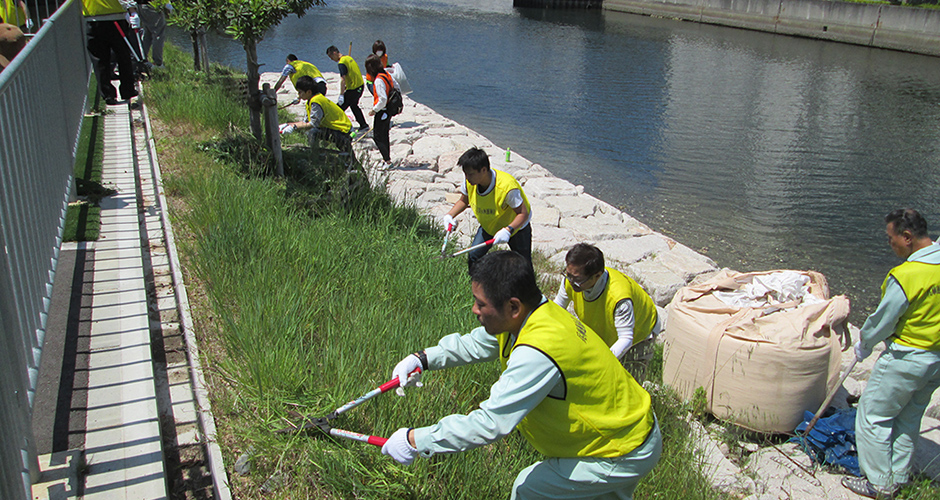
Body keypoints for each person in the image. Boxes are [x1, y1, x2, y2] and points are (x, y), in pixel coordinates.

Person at [382, 250, 662, 499]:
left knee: (529, 489)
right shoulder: (537, 312)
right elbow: (476, 343)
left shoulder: (538, 351)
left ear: (513, 306)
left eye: (481, 304)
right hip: (631, 432)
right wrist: (422, 359)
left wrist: (415, 441)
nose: (474, 309)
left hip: (623, 448)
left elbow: (490, 423)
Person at [843, 208, 940, 500]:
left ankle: (878, 484)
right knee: (909, 418)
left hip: (905, 359)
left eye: (891, 239)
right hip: (935, 361)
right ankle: (898, 476)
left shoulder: (907, 275)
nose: (890, 245)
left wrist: (866, 343)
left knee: (873, 416)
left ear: (907, 237)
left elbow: (883, 319)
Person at [554, 243, 660, 382]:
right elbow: (556, 310)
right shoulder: (572, 279)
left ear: (597, 275)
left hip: (639, 335)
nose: (571, 282)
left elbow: (626, 338)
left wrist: (601, 364)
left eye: (577, 279)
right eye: (568, 275)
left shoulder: (619, 298)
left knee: (627, 383)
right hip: (605, 329)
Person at [442, 147, 532, 273]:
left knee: (523, 265)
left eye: (471, 174)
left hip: (517, 229)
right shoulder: (470, 182)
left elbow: (523, 213)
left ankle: (529, 291)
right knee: (474, 255)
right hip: (489, 225)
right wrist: (449, 215)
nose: (467, 178)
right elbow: (464, 201)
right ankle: (477, 287)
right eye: (465, 174)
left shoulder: (507, 187)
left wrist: (508, 230)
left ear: (483, 170)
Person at [83, 0, 138, 105]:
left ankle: (108, 95)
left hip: (94, 20)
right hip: (116, 19)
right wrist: (133, 11)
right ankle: (128, 90)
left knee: (100, 60)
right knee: (123, 56)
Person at [278, 75, 352, 152]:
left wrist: (295, 127)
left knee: (312, 131)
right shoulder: (311, 101)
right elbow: (305, 122)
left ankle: (313, 153)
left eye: (300, 92)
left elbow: (313, 124)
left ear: (309, 92)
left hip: (343, 131)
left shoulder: (316, 102)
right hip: (336, 130)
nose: (299, 95)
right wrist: (288, 125)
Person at [364, 54, 398, 169]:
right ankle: (387, 159)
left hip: (382, 111)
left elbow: (382, 98)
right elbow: (396, 86)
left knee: (378, 137)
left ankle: (388, 162)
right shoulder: (386, 74)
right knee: (385, 135)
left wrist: (374, 110)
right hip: (388, 110)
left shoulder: (378, 80)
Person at [325, 45, 369, 133]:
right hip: (360, 86)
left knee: (339, 108)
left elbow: (342, 79)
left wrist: (341, 94)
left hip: (354, 88)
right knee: (354, 106)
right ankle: (363, 125)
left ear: (334, 53)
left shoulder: (341, 63)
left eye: (331, 57)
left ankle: (335, 127)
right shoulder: (348, 58)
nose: (331, 59)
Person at [135, 0, 171, 67]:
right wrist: (167, 4)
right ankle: (158, 63)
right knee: (158, 34)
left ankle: (141, 58)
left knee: (147, 34)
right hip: (152, 6)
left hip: (140, 5)